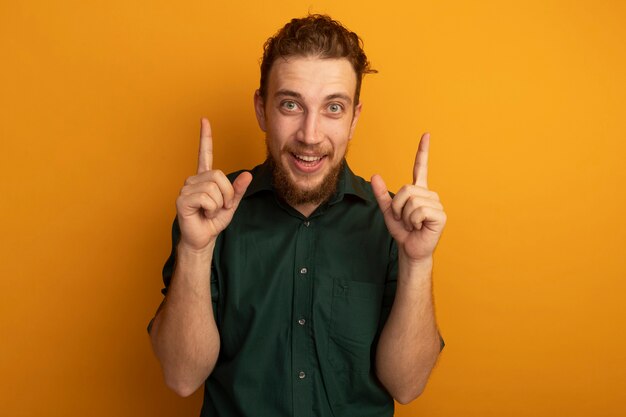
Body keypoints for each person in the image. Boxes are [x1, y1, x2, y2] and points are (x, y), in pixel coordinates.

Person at [149, 14, 446, 417]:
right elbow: (182, 377)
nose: (310, 133)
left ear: (354, 118)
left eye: (333, 108)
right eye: (291, 104)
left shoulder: (393, 224)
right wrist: (196, 251)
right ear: (261, 109)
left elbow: (407, 386)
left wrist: (417, 262)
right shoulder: (208, 214)